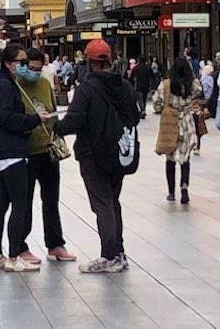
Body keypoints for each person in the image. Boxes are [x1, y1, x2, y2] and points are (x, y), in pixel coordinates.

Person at [54, 39, 139, 274]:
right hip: (118, 154)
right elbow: (134, 115)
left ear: (89, 62)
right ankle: (119, 253)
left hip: (93, 155)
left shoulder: (86, 89)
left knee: (102, 205)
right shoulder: (124, 86)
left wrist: (56, 127)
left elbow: (75, 121)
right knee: (113, 202)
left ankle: (109, 256)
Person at [0, 44, 49, 273]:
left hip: (1, 152)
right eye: (21, 62)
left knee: (1, 204)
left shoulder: (1, 83)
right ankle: (13, 257)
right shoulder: (4, 85)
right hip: (11, 151)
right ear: (9, 62)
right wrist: (32, 120)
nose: (24, 66)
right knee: (19, 205)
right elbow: (5, 117)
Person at [17, 48, 77, 265]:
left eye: (39, 68)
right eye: (31, 68)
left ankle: (55, 244)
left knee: (51, 199)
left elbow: (52, 108)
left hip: (47, 149)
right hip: (25, 152)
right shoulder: (15, 84)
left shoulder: (44, 84)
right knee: (24, 201)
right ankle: (20, 245)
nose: (35, 72)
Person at [153, 58, 201, 204]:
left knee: (170, 157)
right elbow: (198, 92)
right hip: (186, 122)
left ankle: (171, 192)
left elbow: (156, 102)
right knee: (185, 157)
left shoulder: (166, 85)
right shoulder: (192, 84)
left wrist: (162, 109)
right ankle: (184, 187)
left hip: (171, 122)